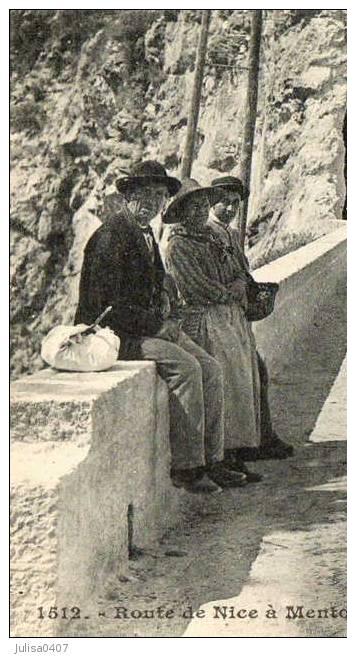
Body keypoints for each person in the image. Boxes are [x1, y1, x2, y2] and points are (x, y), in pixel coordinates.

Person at [75, 161, 244, 494]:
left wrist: (165, 287)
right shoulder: (111, 236)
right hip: (115, 335)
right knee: (186, 368)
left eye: (158, 196)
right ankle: (188, 468)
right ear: (129, 195)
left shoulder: (144, 231)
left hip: (147, 326)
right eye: (145, 195)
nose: (152, 203)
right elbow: (108, 308)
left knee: (211, 368)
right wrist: (158, 325)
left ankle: (214, 459)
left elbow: (151, 279)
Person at [164, 179, 264, 483]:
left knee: (239, 386)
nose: (198, 212)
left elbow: (238, 272)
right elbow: (196, 287)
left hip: (230, 319)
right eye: (191, 207)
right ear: (181, 213)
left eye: (202, 206)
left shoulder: (213, 238)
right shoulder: (178, 245)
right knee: (221, 385)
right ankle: (216, 460)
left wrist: (235, 286)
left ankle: (232, 455)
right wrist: (230, 291)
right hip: (206, 321)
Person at [207, 175, 293, 460]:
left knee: (257, 374)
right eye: (224, 203)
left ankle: (259, 439)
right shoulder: (208, 232)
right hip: (220, 317)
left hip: (237, 314)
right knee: (243, 378)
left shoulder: (230, 233)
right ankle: (245, 445)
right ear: (211, 202)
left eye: (235, 203)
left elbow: (240, 271)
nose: (230, 209)